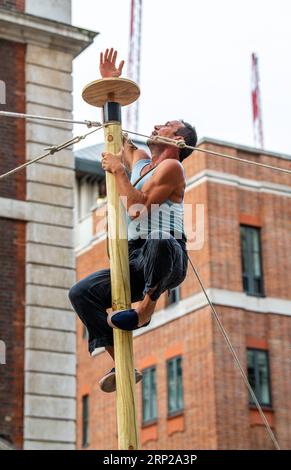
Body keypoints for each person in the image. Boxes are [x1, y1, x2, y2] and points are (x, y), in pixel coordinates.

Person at [69, 48, 197, 392]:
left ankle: (146, 309)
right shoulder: (142, 161)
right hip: (134, 258)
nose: (156, 125)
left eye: (165, 125)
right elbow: (117, 136)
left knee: (157, 236)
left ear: (177, 140)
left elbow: (137, 208)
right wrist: (110, 91)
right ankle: (121, 363)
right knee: (81, 292)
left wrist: (119, 172)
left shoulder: (173, 167)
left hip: (166, 257)